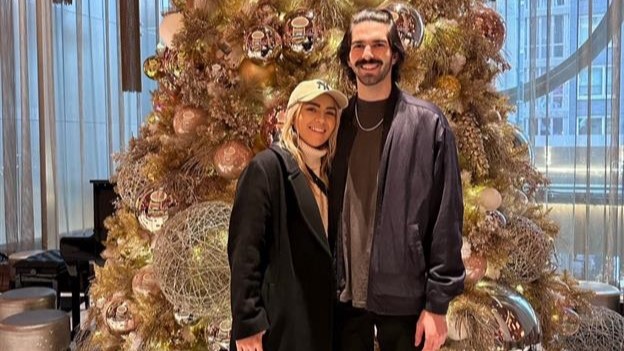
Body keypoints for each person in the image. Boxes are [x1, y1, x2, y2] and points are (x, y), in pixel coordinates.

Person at [329, 9, 465, 351]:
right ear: (348, 56)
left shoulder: (427, 124)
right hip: (343, 305)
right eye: (358, 46)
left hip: (405, 304)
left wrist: (437, 306)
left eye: (378, 44)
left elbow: (446, 218)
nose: (368, 55)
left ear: (394, 53)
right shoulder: (335, 126)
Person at [228, 79, 348, 351]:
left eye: (330, 112)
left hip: (320, 327)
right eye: (312, 109)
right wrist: (247, 322)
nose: (321, 119)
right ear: (294, 115)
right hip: (278, 327)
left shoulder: (332, 174)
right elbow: (245, 252)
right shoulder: (267, 169)